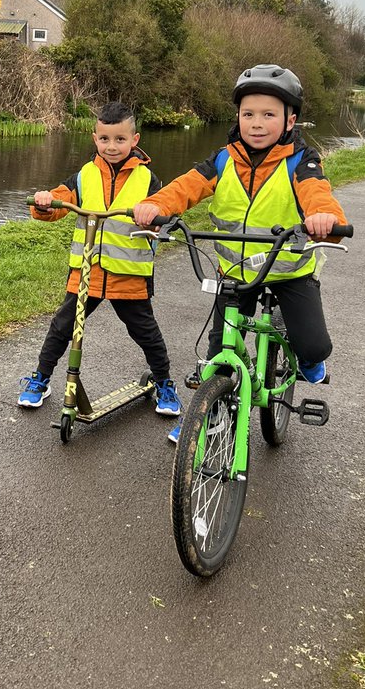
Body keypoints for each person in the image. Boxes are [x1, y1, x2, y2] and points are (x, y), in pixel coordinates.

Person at [132, 65, 348, 443]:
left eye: (269, 114)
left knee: (313, 345)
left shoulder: (301, 160)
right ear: (238, 117)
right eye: (248, 114)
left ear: (290, 119)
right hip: (234, 272)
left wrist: (323, 217)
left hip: (289, 271)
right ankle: (209, 412)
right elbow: (185, 187)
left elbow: (317, 192)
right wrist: (154, 205)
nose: (257, 123)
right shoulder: (223, 159)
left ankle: (308, 360)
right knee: (219, 347)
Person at [18, 101, 183, 419]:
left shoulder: (147, 180)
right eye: (105, 139)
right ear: (95, 138)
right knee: (62, 327)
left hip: (129, 275)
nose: (112, 146)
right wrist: (43, 202)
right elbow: (59, 200)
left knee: (145, 332)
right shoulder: (85, 175)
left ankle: (164, 383)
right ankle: (40, 379)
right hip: (86, 272)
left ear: (134, 140)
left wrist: (156, 220)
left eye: (120, 139)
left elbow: (165, 211)